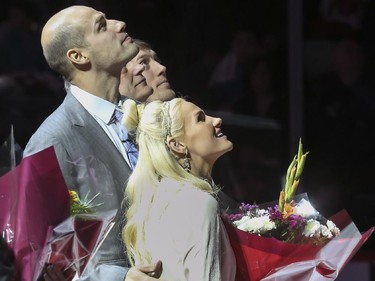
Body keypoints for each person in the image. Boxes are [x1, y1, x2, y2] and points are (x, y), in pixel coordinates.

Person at [23, 5, 161, 280]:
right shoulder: (52, 141)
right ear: (78, 56)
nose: (119, 24)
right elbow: (40, 259)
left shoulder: (144, 113)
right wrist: (120, 277)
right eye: (102, 25)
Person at [121, 97, 236, 280]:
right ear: (177, 145)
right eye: (200, 118)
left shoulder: (157, 197)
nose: (216, 120)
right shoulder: (198, 203)